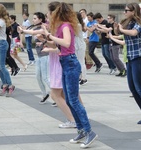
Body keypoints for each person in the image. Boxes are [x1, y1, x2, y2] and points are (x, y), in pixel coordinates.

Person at [41, 2, 98, 148]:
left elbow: (66, 43)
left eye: (51, 13)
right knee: (69, 99)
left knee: (73, 100)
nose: (49, 15)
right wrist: (46, 40)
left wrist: (49, 36)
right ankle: (81, 130)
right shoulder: (60, 27)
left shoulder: (66, 25)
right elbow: (59, 45)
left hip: (71, 63)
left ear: (57, 14)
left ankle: (89, 131)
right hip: (65, 62)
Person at [18, 11, 77, 128]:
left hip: (62, 61)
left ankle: (74, 120)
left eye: (48, 14)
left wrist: (47, 41)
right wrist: (26, 32)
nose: (47, 17)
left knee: (58, 94)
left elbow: (64, 46)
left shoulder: (63, 27)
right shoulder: (58, 27)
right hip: (59, 61)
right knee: (66, 94)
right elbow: (38, 33)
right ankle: (76, 118)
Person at [118, 2, 141, 124]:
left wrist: (121, 29)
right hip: (130, 58)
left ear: (133, 11)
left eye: (127, 10)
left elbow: (134, 33)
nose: (124, 12)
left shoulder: (138, 23)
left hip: (138, 57)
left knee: (138, 88)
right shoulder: (129, 23)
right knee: (132, 88)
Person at [0, 4, 15, 96]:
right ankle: (5, 83)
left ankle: (10, 85)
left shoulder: (1, 21)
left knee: (1, 66)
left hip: (2, 43)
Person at [75, 12, 87, 85]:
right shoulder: (78, 24)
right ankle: (80, 77)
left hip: (79, 44)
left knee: (81, 61)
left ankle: (83, 78)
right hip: (77, 44)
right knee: (78, 61)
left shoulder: (78, 25)